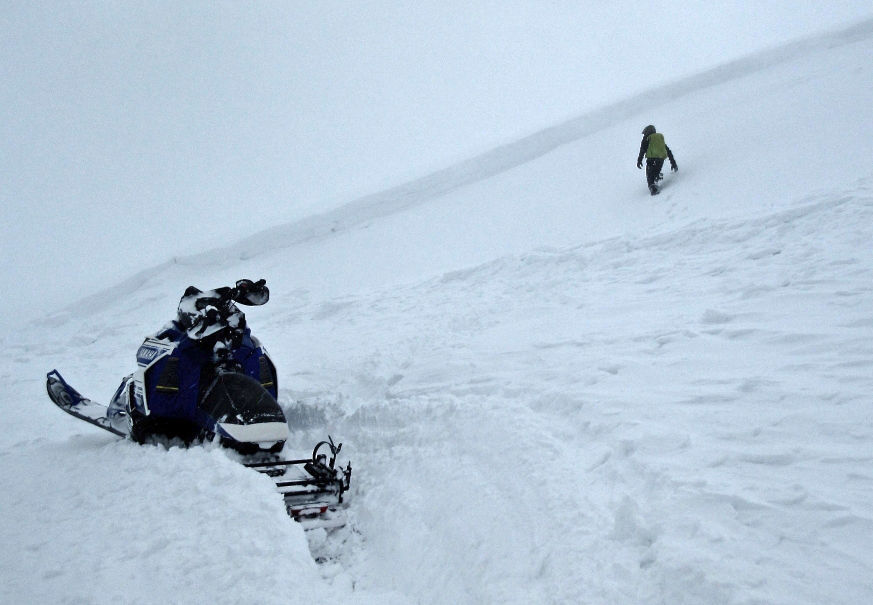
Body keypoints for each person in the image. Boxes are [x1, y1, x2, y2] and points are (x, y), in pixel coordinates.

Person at [636, 125, 678, 195]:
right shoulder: (659, 139)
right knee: (656, 169)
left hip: (651, 159)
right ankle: (657, 176)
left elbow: (642, 150)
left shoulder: (647, 138)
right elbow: (668, 151)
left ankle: (653, 188)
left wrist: (639, 161)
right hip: (660, 159)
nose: (644, 135)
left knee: (649, 174)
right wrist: (673, 164)